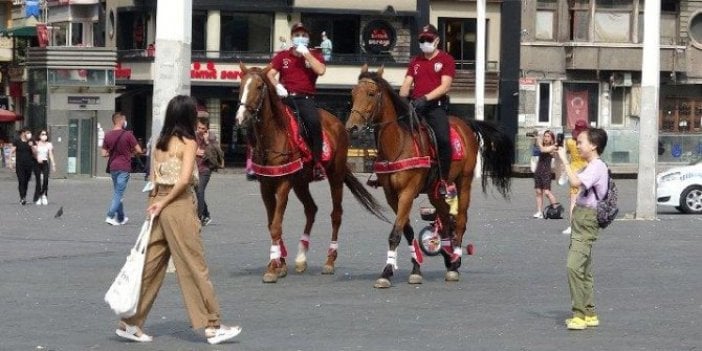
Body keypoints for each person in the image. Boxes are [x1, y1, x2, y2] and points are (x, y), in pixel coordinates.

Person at [114, 95, 241, 345]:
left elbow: (152, 177)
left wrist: (155, 204)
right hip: (178, 204)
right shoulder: (188, 141)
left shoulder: (160, 143)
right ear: (187, 116)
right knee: (194, 265)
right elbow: (183, 180)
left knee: (150, 265)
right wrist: (165, 202)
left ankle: (130, 322)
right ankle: (212, 325)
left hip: (157, 203)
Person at [399, 24, 457, 211]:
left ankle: (443, 181)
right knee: (394, 131)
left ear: (437, 40)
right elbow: (406, 84)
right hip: (414, 107)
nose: (425, 43)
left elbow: (445, 86)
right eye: (422, 40)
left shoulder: (446, 59)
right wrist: (402, 99)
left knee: (443, 139)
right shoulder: (415, 61)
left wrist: (425, 98)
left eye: (428, 40)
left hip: (434, 108)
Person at [555, 127, 608, 330]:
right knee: (584, 268)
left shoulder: (597, 166)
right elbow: (565, 179)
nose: (577, 146)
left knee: (573, 265)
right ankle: (589, 312)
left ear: (593, 145)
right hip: (581, 216)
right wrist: (561, 160)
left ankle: (579, 314)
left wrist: (566, 160)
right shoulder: (589, 165)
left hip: (587, 218)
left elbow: (575, 182)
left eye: (581, 142)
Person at [267, 22, 326, 179]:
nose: (300, 38)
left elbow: (321, 70)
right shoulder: (283, 56)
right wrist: (277, 86)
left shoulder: (315, 54)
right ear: (292, 37)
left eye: (304, 35)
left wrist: (306, 54)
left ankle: (317, 162)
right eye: (297, 35)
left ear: (308, 38)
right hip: (286, 97)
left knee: (313, 123)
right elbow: (270, 74)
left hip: (305, 98)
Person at [102, 112, 143, 226]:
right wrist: (129, 151)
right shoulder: (128, 135)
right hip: (124, 167)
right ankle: (110, 216)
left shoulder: (108, 135)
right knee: (118, 194)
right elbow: (139, 150)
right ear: (120, 121)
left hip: (113, 167)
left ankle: (121, 217)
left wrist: (112, 151)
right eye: (124, 120)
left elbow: (103, 153)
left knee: (117, 192)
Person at [561, 119, 589, 234]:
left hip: (573, 171)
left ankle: (572, 226)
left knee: (573, 201)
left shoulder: (570, 142)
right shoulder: (587, 143)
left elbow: (564, 155)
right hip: (586, 170)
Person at [195, 117, 218, 226]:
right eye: (199, 127)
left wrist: (207, 141)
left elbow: (214, 152)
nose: (200, 130)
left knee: (200, 191)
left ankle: (198, 217)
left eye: (203, 128)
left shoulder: (211, 137)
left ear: (207, 129)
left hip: (205, 169)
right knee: (198, 193)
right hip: (195, 169)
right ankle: (206, 214)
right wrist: (196, 151)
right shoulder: (193, 136)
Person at [533, 130, 559, 218]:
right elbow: (537, 146)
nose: (546, 138)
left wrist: (539, 142)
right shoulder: (542, 145)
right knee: (538, 191)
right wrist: (537, 138)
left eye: (548, 136)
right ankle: (539, 212)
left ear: (552, 138)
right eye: (545, 136)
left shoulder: (553, 147)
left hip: (546, 172)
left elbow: (544, 150)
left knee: (547, 192)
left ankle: (556, 208)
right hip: (538, 171)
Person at [10, 128, 37, 205]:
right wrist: (10, 162)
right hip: (19, 164)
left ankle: (24, 195)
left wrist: (32, 146)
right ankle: (22, 197)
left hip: (29, 164)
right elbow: (12, 152)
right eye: (27, 132)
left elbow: (35, 153)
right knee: (21, 180)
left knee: (26, 181)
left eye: (29, 132)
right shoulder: (17, 141)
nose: (29, 134)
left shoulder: (32, 141)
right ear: (23, 133)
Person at [32, 129, 56, 205]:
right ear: (39, 136)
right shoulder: (36, 144)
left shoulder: (49, 144)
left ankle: (44, 195)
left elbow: (50, 154)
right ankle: (38, 197)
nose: (44, 136)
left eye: (45, 134)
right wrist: (36, 157)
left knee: (46, 179)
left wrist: (53, 164)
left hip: (45, 162)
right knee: (38, 181)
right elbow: (33, 154)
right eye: (42, 134)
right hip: (37, 163)